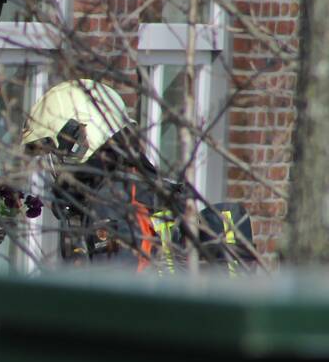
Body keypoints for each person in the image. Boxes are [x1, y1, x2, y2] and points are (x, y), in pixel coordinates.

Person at [20, 79, 254, 271]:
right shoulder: (143, 187)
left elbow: (111, 299)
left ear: (81, 140)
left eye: (57, 155)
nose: (56, 167)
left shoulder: (114, 202)